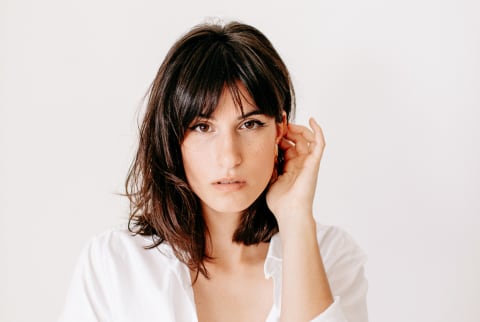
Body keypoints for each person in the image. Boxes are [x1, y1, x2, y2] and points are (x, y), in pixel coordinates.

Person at [59, 21, 368, 322]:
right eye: (203, 127)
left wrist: (296, 216)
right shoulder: (115, 264)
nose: (229, 157)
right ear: (173, 137)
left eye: (249, 124)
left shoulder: (330, 255)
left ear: (280, 130)